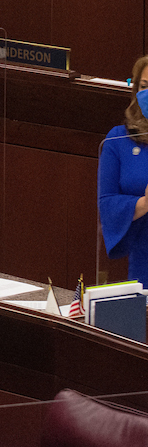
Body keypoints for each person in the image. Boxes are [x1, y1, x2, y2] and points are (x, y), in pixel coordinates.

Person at [98, 55, 148, 284]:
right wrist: (143, 204)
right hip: (142, 257)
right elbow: (106, 203)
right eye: (145, 86)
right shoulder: (117, 139)